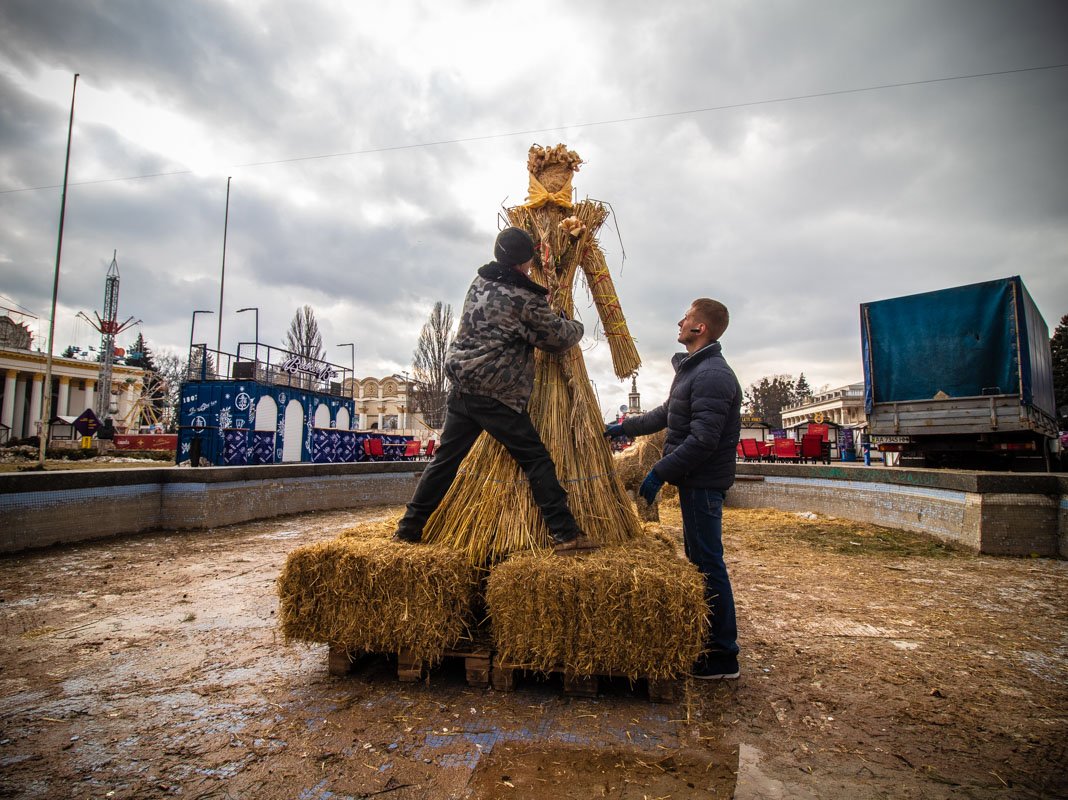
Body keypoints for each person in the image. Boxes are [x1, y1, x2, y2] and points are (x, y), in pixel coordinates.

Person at [393, 226, 596, 553]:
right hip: (496, 392)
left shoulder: (479, 283)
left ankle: (408, 528)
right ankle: (565, 533)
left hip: (462, 386)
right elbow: (558, 338)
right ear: (526, 260)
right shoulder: (525, 298)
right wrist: (573, 324)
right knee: (535, 458)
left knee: (446, 459)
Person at [605, 298, 742, 679]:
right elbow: (666, 414)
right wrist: (622, 428)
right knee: (702, 559)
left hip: (703, 483)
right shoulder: (692, 371)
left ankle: (722, 655)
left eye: (687, 318)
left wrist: (659, 472)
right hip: (694, 482)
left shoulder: (713, 375)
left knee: (708, 563)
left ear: (700, 330)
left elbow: (702, 440)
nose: (680, 322)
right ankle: (715, 645)